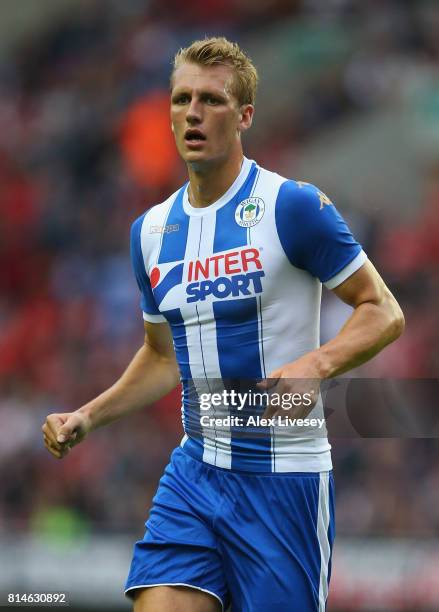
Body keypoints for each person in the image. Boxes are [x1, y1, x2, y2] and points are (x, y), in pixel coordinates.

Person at [42, 37, 405, 612]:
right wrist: (90, 413)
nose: (192, 112)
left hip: (283, 480)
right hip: (195, 471)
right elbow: (163, 356)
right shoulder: (151, 233)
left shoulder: (293, 207)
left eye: (211, 100)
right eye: (181, 98)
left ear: (244, 116)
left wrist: (317, 364)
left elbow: (382, 310)